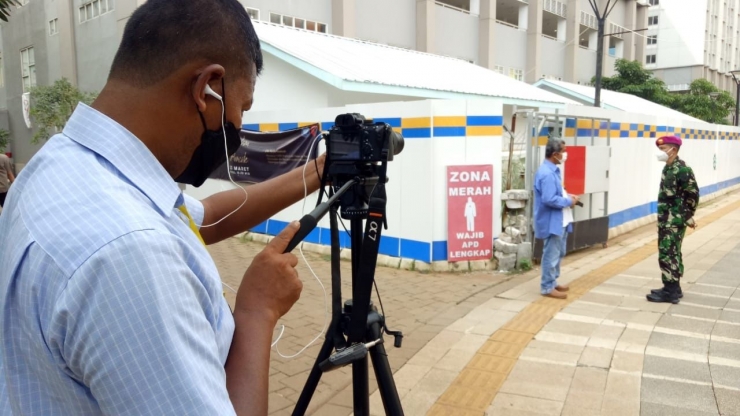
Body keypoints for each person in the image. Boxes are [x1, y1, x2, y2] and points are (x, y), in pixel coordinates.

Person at [0, 1, 324, 414]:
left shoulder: (59, 167)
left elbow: (206, 216)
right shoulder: (130, 253)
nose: (239, 126)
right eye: (242, 107)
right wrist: (257, 311)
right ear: (206, 88)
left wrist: (319, 170)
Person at [647, 135, 699, 304]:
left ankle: (670, 292)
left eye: (663, 150)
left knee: (668, 254)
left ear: (673, 150)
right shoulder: (668, 168)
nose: (660, 153)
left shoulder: (682, 169)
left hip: (674, 221)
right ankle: (674, 287)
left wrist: (685, 216)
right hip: (666, 219)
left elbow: (692, 194)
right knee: (670, 253)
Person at [534, 139, 579, 299]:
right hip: (552, 220)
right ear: (555, 154)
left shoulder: (553, 170)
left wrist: (568, 197)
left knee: (559, 252)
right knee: (551, 254)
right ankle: (547, 287)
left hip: (561, 219)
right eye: (564, 151)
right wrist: (568, 201)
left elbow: (557, 193)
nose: (566, 154)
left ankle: (552, 282)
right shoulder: (546, 173)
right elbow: (548, 199)